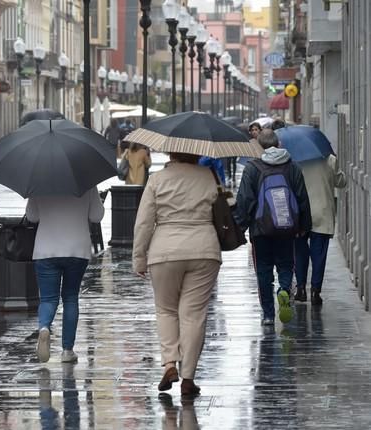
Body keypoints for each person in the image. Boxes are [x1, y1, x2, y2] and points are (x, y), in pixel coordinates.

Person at [133, 152, 222, 398]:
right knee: (194, 315)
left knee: (166, 310)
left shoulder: (157, 179)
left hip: (165, 250)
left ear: (172, 152)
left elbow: (144, 222)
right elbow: (224, 207)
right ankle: (188, 378)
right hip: (204, 249)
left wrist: (139, 257)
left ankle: (170, 364)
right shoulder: (208, 176)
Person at [234, 129, 312, 326]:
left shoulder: (252, 168)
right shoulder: (292, 167)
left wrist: (240, 227)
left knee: (263, 271)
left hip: (261, 231)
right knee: (286, 265)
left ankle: (268, 314)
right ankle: (284, 289)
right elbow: (302, 198)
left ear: (259, 146)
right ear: (278, 144)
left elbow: (245, 200)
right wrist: (304, 226)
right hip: (287, 229)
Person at [28, 187, 104, 364]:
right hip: (77, 249)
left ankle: (44, 327)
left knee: (48, 299)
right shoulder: (86, 182)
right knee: (70, 297)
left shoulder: (39, 182)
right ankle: (67, 350)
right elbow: (97, 216)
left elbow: (32, 216)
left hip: (46, 249)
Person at [294, 154, 347, 306]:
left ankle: (301, 289)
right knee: (319, 255)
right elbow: (341, 182)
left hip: (301, 212)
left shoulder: (295, 159)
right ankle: (316, 291)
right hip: (322, 212)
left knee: (299, 252)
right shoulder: (329, 159)